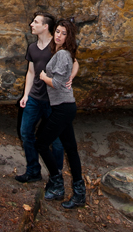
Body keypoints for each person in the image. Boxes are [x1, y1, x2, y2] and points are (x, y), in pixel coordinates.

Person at [17, 12, 78, 185]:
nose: (31, 24)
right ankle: (33, 171)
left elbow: (75, 62)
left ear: (45, 27)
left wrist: (70, 77)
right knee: (26, 133)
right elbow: (31, 72)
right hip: (35, 98)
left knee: (57, 141)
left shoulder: (57, 44)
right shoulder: (32, 48)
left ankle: (55, 175)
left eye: (35, 22)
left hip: (54, 102)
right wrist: (25, 95)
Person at [36, 18, 86, 209]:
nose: (59, 36)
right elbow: (75, 63)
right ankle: (79, 193)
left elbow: (56, 83)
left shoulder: (63, 54)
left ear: (68, 37)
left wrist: (43, 77)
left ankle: (57, 184)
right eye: (57, 31)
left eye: (64, 34)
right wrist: (71, 77)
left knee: (40, 142)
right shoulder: (61, 53)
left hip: (63, 107)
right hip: (65, 105)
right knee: (71, 149)